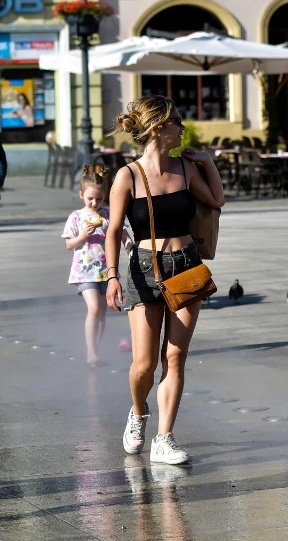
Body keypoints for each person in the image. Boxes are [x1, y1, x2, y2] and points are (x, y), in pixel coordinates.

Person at [105, 95, 225, 465]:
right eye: (177, 121)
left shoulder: (185, 169)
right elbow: (112, 231)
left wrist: (207, 164)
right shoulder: (127, 176)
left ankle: (164, 438)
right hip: (144, 267)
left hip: (186, 264)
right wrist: (111, 276)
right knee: (144, 364)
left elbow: (217, 201)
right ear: (159, 128)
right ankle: (139, 411)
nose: (182, 127)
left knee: (175, 356)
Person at [62, 166, 132, 364]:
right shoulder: (76, 217)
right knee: (94, 308)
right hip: (84, 272)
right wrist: (82, 236)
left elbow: (124, 235)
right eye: (90, 198)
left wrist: (131, 248)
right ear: (81, 194)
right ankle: (91, 351)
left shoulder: (110, 215)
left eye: (99, 199)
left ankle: (97, 348)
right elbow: (69, 244)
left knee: (101, 312)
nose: (94, 203)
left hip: (106, 271)